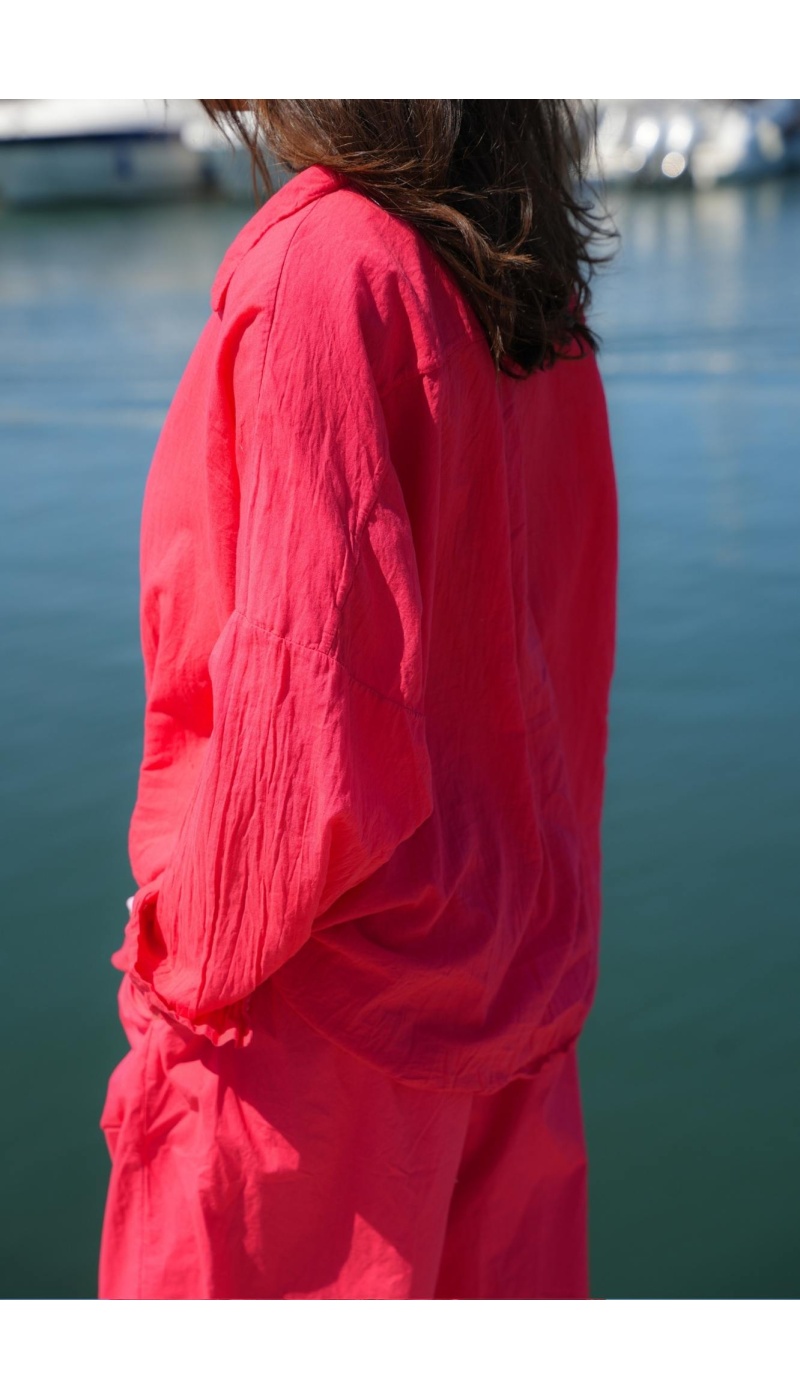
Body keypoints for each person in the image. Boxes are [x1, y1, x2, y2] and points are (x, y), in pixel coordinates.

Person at [98, 99, 618, 1300]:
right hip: (512, 997)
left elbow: (308, 727)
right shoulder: (523, 276)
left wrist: (177, 954)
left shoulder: (326, 268)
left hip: (317, 1060)